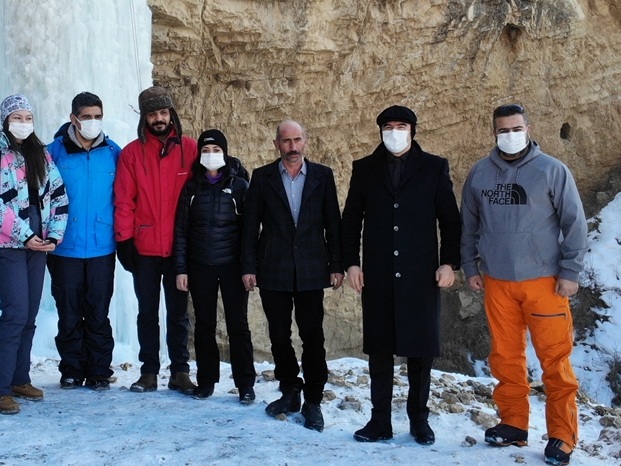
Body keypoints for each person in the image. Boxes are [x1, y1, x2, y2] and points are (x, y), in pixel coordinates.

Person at [460, 103, 586, 466]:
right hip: (497, 280)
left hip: (544, 281)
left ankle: (562, 434)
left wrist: (571, 272)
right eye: (503, 130)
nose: (510, 135)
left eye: (516, 128)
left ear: (528, 129)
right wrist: (470, 266)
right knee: (505, 356)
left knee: (555, 360)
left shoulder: (552, 170)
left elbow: (574, 224)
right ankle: (513, 422)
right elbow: (469, 224)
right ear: (493, 133)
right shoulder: (480, 174)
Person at [341, 106, 460, 446]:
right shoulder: (364, 169)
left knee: (420, 351)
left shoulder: (434, 167)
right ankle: (379, 421)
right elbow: (351, 220)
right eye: (388, 126)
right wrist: (351, 263)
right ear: (380, 131)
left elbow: (450, 220)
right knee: (379, 351)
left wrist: (449, 263)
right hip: (377, 272)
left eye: (401, 126)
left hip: (421, 273)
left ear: (413, 130)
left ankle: (419, 421)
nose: (395, 131)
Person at [0, 94, 69, 415]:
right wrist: (25, 235)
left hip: (38, 244)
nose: (24, 123)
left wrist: (53, 234)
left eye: (28, 117)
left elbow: (58, 194)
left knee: (28, 315)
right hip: (7, 242)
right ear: (5, 120)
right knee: (14, 312)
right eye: (18, 117)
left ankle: (18, 378)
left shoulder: (40, 153)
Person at [242, 120, 342, 432]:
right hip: (274, 266)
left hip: (313, 267)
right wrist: (248, 266)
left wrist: (337, 265)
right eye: (286, 141)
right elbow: (250, 227)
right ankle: (290, 390)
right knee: (278, 334)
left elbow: (333, 224)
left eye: (297, 140)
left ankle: (313, 399)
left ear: (306, 142)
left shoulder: (323, 176)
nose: (292, 147)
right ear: (276, 144)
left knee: (313, 336)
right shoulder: (262, 177)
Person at [114, 86, 199, 394]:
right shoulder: (131, 154)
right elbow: (124, 200)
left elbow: (207, 185)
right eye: (153, 114)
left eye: (163, 112)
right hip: (145, 248)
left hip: (179, 249)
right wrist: (124, 241)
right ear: (144, 118)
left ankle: (180, 372)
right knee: (147, 312)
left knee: (178, 313)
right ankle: (148, 372)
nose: (159, 119)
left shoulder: (190, 149)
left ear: (171, 114)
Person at [173, 129, 255, 403]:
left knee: (238, 326)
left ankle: (245, 384)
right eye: (206, 151)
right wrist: (181, 269)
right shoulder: (192, 188)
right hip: (199, 266)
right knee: (204, 326)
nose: (211, 156)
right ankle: (206, 381)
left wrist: (248, 267)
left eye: (216, 150)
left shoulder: (240, 186)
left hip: (232, 267)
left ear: (225, 152)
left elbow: (249, 231)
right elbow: (181, 231)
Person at [47, 92, 121, 391]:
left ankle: (100, 370)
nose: (93, 122)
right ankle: (72, 369)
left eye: (97, 116)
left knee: (98, 311)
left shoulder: (113, 152)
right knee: (68, 310)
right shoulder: (53, 152)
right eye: (87, 116)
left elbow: (123, 197)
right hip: (65, 245)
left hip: (102, 244)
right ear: (73, 118)